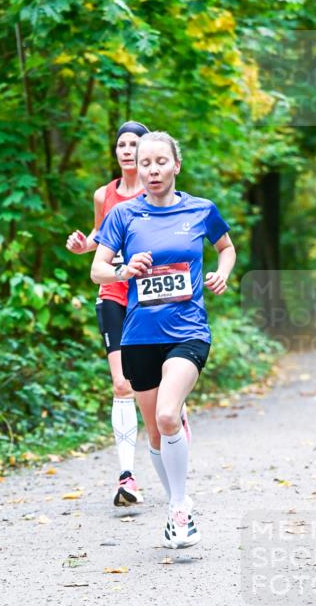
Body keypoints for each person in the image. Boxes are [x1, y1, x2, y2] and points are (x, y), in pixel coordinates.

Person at [91, 131, 236, 548]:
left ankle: (179, 511)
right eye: (145, 163)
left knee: (169, 416)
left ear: (176, 165)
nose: (152, 170)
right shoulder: (124, 215)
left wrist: (222, 272)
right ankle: (178, 501)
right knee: (155, 432)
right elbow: (98, 270)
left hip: (188, 331)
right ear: (137, 168)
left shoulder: (201, 209)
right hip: (139, 336)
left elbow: (226, 248)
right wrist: (124, 270)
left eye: (160, 162)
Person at [66, 120, 191, 508]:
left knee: (155, 386)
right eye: (121, 144)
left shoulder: (159, 192)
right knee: (121, 385)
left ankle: (173, 414)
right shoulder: (104, 194)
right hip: (114, 293)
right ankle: (127, 476)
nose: (126, 151)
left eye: (133, 145)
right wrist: (84, 245)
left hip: (152, 297)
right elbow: (101, 236)